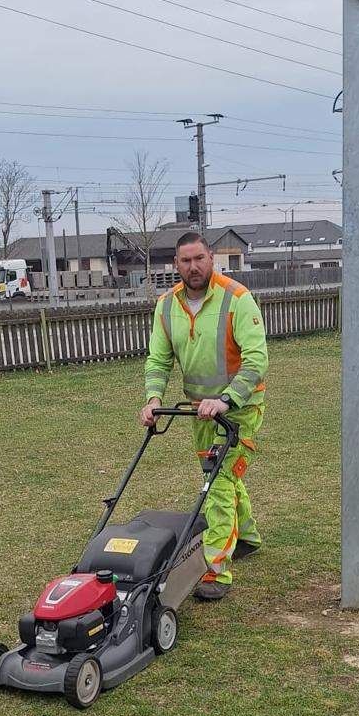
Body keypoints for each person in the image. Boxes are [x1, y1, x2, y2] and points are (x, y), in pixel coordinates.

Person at [141, 232, 269, 601]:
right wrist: (152, 398)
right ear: (176, 265)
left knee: (217, 483)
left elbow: (257, 360)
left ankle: (216, 568)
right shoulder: (165, 306)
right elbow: (159, 359)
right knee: (220, 475)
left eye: (199, 258)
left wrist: (228, 399)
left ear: (211, 259)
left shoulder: (237, 300)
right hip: (198, 411)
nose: (193, 267)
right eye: (185, 261)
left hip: (241, 408)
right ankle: (246, 535)